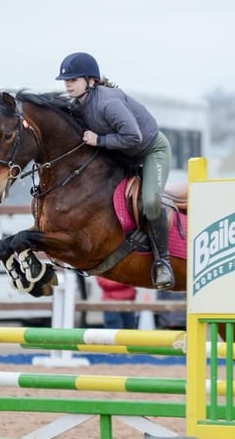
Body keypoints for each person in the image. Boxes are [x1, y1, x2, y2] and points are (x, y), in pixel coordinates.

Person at [55, 51, 175, 289]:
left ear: (91, 81)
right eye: (66, 81)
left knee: (150, 202)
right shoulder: (78, 105)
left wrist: (99, 141)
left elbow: (134, 136)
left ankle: (163, 262)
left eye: (73, 80)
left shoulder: (107, 103)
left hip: (151, 151)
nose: (68, 85)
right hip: (123, 155)